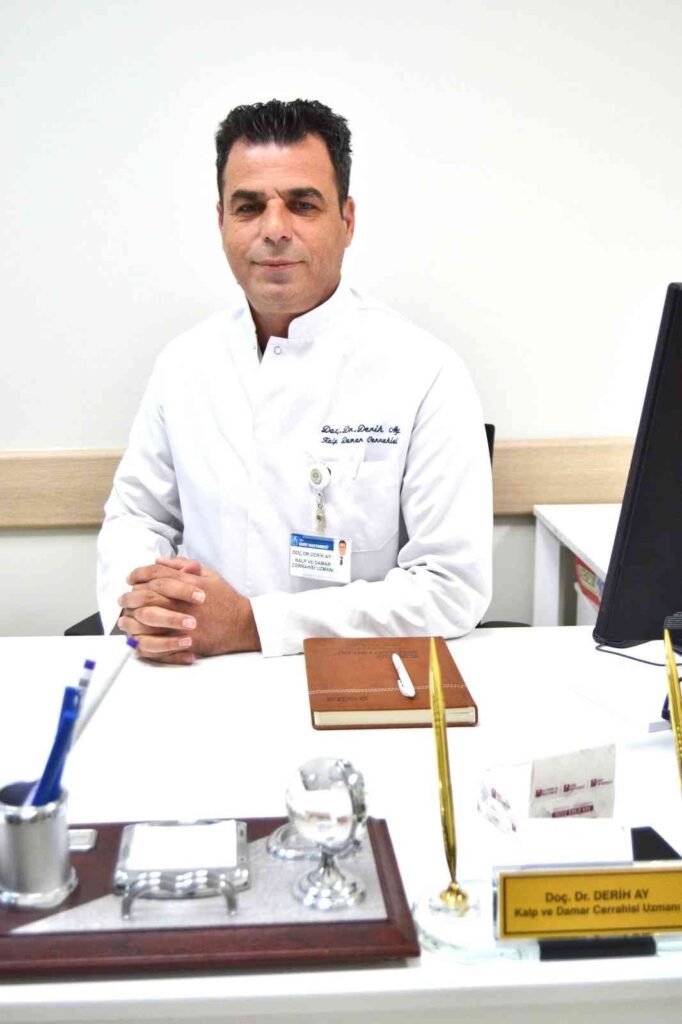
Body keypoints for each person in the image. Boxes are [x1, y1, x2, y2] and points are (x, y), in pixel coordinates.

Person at [97, 98, 493, 663]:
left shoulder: (425, 372)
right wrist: (144, 605)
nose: (275, 230)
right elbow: (138, 518)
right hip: (197, 668)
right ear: (222, 222)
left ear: (346, 221)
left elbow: (451, 587)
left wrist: (251, 625)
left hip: (352, 674)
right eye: (249, 207)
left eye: (303, 205)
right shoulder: (184, 364)